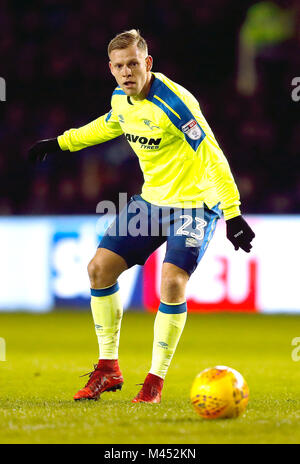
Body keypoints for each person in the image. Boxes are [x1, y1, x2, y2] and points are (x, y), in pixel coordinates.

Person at [28, 29, 255, 403]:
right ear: (111, 69)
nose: (126, 72)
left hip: (196, 204)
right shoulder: (122, 99)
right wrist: (60, 143)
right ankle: (108, 369)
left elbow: (212, 155)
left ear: (147, 63)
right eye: (119, 66)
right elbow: (108, 125)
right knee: (99, 269)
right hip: (153, 203)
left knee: (171, 280)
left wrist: (232, 213)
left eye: (133, 63)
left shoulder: (176, 104)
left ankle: (154, 381)